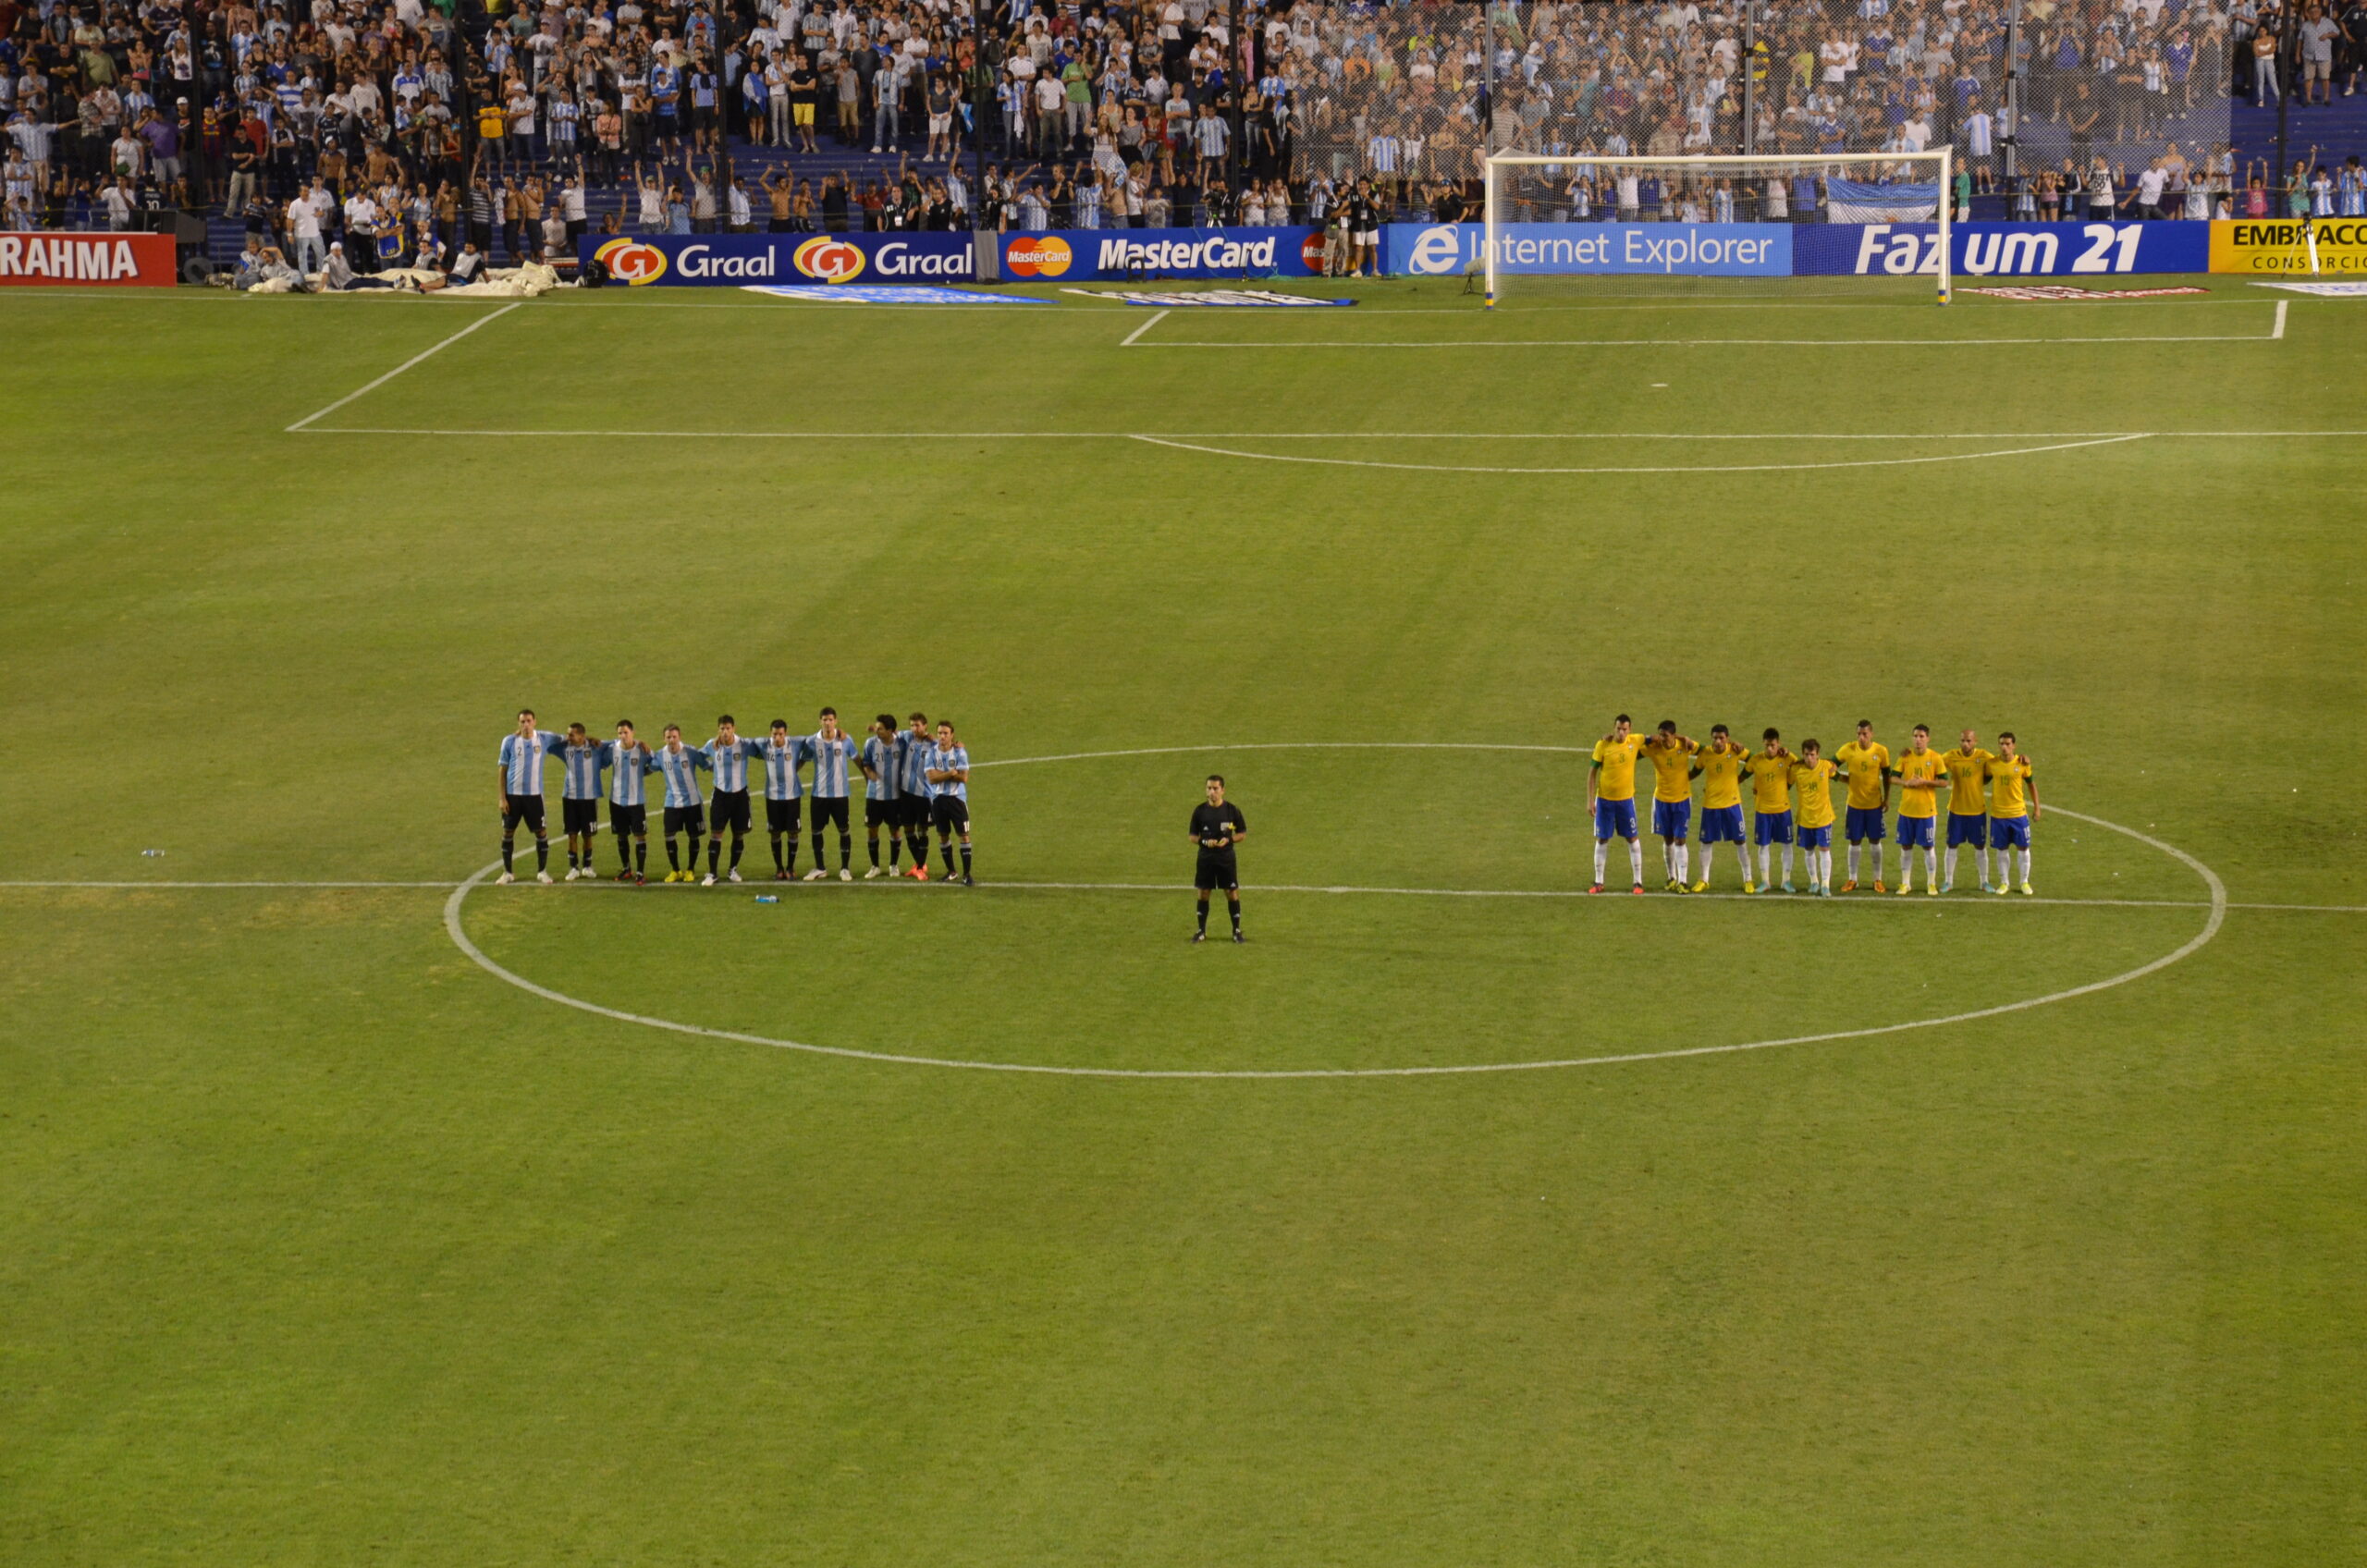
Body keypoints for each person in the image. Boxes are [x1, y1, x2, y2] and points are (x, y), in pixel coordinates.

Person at [496, 709, 565, 885]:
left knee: (541, 832)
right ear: (518, 724)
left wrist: (595, 742)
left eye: (528, 721)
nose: (525, 724)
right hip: (513, 796)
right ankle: (507, 873)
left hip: (534, 796)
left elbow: (570, 738)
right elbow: (502, 770)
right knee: (508, 832)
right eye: (522, 722)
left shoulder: (544, 738)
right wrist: (502, 798)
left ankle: (542, 872)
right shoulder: (509, 741)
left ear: (535, 721)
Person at [1586, 714, 1648, 895]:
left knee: (1632, 838)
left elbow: (1656, 739)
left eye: (1624, 729)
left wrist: (1683, 740)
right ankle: (1599, 882)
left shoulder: (1636, 741)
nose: (1621, 732)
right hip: (1604, 801)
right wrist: (1590, 800)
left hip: (1626, 801)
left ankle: (1638, 882)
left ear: (1630, 730)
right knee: (1602, 838)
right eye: (1618, 729)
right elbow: (1592, 774)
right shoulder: (1603, 745)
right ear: (1614, 728)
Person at [699, 715, 763, 885]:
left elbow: (762, 750)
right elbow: (698, 757)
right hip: (720, 795)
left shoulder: (744, 745)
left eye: (728, 728)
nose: (725, 732)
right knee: (716, 833)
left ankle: (732, 869)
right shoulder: (712, 745)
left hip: (740, 794)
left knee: (739, 833)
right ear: (718, 729)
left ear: (733, 728)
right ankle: (712, 873)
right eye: (722, 729)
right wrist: (708, 767)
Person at [1640, 719, 1699, 892]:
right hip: (1661, 800)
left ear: (1673, 735)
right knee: (1667, 839)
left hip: (1681, 800)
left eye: (1665, 735)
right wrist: (1649, 738)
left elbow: (1705, 751)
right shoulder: (1654, 748)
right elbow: (1633, 749)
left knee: (1680, 839)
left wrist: (1691, 775)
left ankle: (1683, 880)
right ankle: (1671, 877)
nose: (1662, 738)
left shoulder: (1684, 745)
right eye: (1660, 734)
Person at [1834, 719, 1893, 891]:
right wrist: (1843, 778)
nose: (1861, 737)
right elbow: (1829, 766)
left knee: (1875, 842)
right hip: (1854, 805)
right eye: (1859, 734)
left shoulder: (1881, 751)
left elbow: (1887, 776)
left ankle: (1877, 879)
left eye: (1865, 734)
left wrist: (1887, 799)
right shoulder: (1848, 749)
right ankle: (1853, 879)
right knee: (1854, 842)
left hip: (1874, 805)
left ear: (1871, 734)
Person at [1689, 724, 1750, 892]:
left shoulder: (1735, 751)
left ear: (1727, 739)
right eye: (1715, 738)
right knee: (1706, 841)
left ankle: (1748, 879)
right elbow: (1694, 772)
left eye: (1721, 738)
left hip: (1732, 804)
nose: (1718, 741)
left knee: (1740, 840)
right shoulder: (1705, 754)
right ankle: (1704, 879)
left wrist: (1741, 778)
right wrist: (1678, 779)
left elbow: (1753, 761)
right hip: (1710, 805)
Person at [803, 708, 861, 881]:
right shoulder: (811, 741)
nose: (827, 723)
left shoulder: (846, 740)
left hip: (840, 794)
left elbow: (857, 759)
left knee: (844, 830)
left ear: (836, 721)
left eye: (830, 720)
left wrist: (868, 776)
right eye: (824, 720)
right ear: (819, 721)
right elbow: (801, 760)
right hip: (819, 794)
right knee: (816, 831)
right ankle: (820, 868)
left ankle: (845, 868)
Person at [1189, 774, 1247, 943]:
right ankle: (1201, 931)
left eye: (1215, 788)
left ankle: (1236, 931)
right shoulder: (1199, 811)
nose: (1211, 792)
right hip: (1206, 858)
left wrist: (1228, 840)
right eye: (1209, 788)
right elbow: (1192, 836)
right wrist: (1205, 841)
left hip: (1226, 858)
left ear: (1222, 790)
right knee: (1204, 892)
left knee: (1231, 892)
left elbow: (1242, 834)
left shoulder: (1231, 810)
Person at [1940, 727, 1997, 892]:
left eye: (1968, 741)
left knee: (1980, 846)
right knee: (1952, 845)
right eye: (1963, 741)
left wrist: (2021, 759)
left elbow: (2001, 763)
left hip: (1977, 810)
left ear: (1975, 741)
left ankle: (1984, 882)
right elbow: (1933, 761)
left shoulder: (1984, 757)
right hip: (1956, 810)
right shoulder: (1951, 756)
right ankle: (1948, 882)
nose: (1965, 744)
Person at [652, 724, 711, 882]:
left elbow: (707, 765)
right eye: (668, 737)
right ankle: (675, 870)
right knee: (669, 835)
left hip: (693, 802)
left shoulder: (691, 752)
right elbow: (648, 768)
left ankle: (690, 870)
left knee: (693, 836)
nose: (671, 740)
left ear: (680, 737)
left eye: (674, 737)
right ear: (664, 738)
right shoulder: (660, 756)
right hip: (672, 802)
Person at [1891, 724, 1945, 895]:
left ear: (1928, 738)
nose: (1918, 740)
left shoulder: (1935, 758)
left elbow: (1944, 782)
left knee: (1928, 847)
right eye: (1915, 736)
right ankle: (1905, 883)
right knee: (1906, 847)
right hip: (1906, 811)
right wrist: (1906, 783)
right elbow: (1893, 778)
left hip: (1926, 812)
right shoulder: (1905, 757)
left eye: (1922, 736)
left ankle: (1931, 883)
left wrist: (1924, 782)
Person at [599, 720, 656, 883]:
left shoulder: (643, 750)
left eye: (626, 732)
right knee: (621, 835)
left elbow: (655, 764)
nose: (623, 736)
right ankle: (626, 869)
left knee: (640, 836)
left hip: (636, 800)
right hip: (616, 800)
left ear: (633, 732)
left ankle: (640, 872)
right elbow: (602, 763)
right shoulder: (612, 750)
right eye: (620, 733)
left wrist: (643, 773)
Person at [1743, 728, 1797, 893]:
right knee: (1763, 846)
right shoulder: (1755, 760)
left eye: (1773, 745)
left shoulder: (1786, 758)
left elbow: (1798, 765)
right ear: (1763, 744)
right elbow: (1742, 776)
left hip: (1783, 809)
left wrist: (1788, 752)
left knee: (1787, 845)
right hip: (1763, 811)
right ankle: (1765, 881)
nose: (1770, 749)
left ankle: (1786, 881)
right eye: (1767, 745)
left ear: (1778, 744)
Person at [1985, 732, 2040, 895]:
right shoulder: (1992, 764)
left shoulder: (2022, 764)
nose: (2004, 747)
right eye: (2001, 744)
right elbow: (1982, 779)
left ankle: (2024, 882)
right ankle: (2004, 882)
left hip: (2018, 814)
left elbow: (2031, 785)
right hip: (1998, 815)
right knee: (2001, 849)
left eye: (2008, 744)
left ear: (2014, 746)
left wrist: (2037, 808)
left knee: (2023, 848)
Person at [556, 722, 607, 880]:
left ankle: (587, 866)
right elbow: (545, 740)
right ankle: (573, 868)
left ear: (581, 736)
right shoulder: (564, 747)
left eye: (571, 734)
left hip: (589, 798)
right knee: (571, 834)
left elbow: (618, 743)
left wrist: (640, 743)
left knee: (587, 834)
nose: (567, 737)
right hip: (569, 797)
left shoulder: (596, 748)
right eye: (567, 734)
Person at [759, 719, 809, 881]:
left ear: (785, 733)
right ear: (770, 733)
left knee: (793, 832)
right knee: (775, 832)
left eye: (780, 734)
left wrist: (798, 765)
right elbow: (743, 743)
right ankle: (779, 868)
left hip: (792, 796)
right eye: (774, 734)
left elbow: (815, 740)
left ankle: (790, 867)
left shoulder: (795, 743)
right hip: (772, 797)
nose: (777, 737)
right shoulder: (763, 745)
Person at [926, 720, 974, 885]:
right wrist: (951, 773)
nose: (942, 736)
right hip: (938, 800)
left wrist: (941, 774)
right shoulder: (931, 753)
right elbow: (931, 779)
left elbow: (963, 777)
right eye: (939, 733)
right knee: (942, 836)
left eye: (946, 733)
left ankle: (967, 874)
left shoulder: (960, 753)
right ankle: (951, 871)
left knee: (964, 836)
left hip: (957, 799)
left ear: (952, 735)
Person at [1791, 740, 1840, 897]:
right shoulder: (1796, 769)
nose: (1809, 758)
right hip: (1805, 817)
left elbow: (1835, 768)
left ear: (1818, 755)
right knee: (1808, 850)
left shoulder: (1825, 766)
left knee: (1824, 849)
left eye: (1812, 755)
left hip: (1823, 817)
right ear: (1802, 754)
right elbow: (1784, 783)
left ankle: (1825, 884)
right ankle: (1814, 882)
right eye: (1806, 755)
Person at [859, 714, 905, 877]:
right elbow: (866, 763)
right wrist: (869, 772)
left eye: (880, 729)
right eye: (876, 728)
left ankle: (894, 865)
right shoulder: (871, 743)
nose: (876, 731)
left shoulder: (901, 743)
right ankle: (875, 866)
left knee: (894, 830)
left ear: (891, 731)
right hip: (874, 795)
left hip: (894, 796)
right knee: (872, 830)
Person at [897, 712, 937, 879]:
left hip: (924, 795)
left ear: (925, 725)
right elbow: (891, 733)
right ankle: (919, 865)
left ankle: (919, 867)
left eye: (917, 725)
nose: (914, 728)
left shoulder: (933, 744)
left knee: (923, 831)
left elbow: (948, 746)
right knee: (908, 830)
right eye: (912, 725)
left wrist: (957, 745)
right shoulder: (907, 737)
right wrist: (875, 729)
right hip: (906, 793)